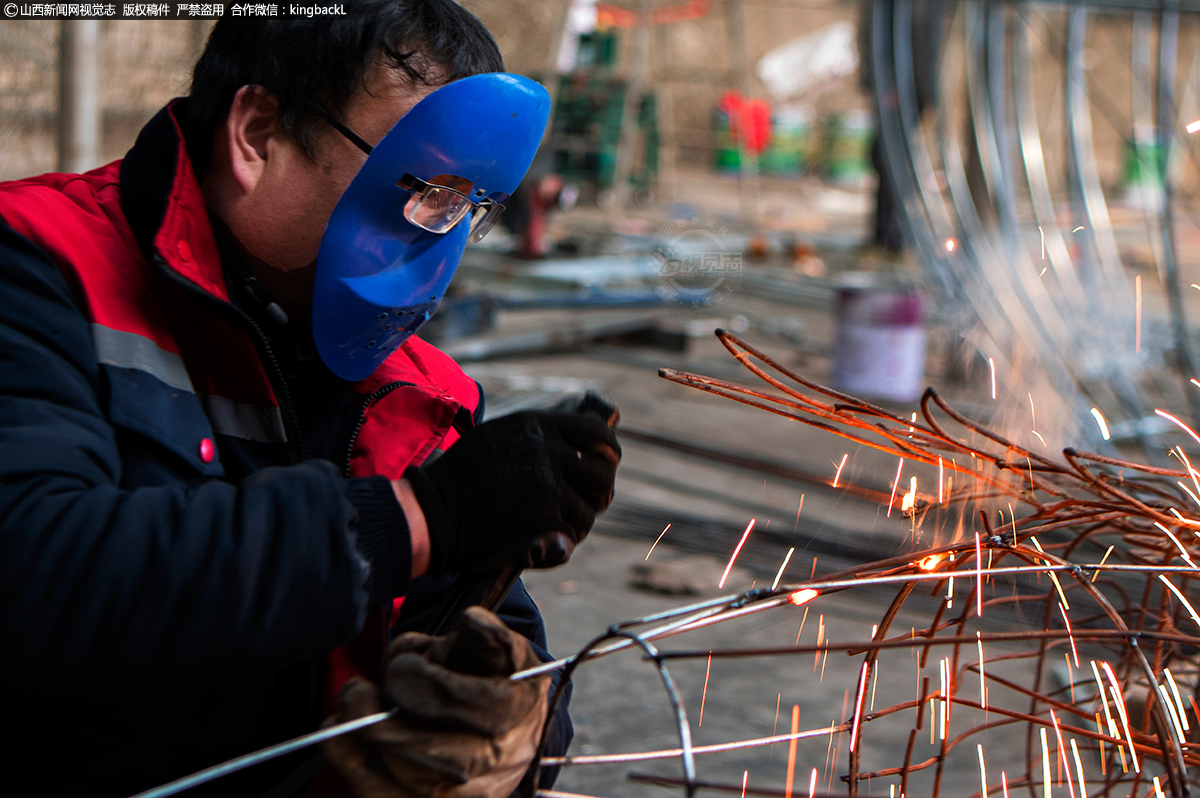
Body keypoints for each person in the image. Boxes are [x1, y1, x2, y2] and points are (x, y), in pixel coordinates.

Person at [0, 4, 620, 797]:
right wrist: (415, 521)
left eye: (470, 208)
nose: (445, 243)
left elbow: (488, 657)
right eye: (429, 192)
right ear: (257, 135)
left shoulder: (418, 392)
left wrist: (515, 729)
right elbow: (38, 579)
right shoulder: (37, 267)